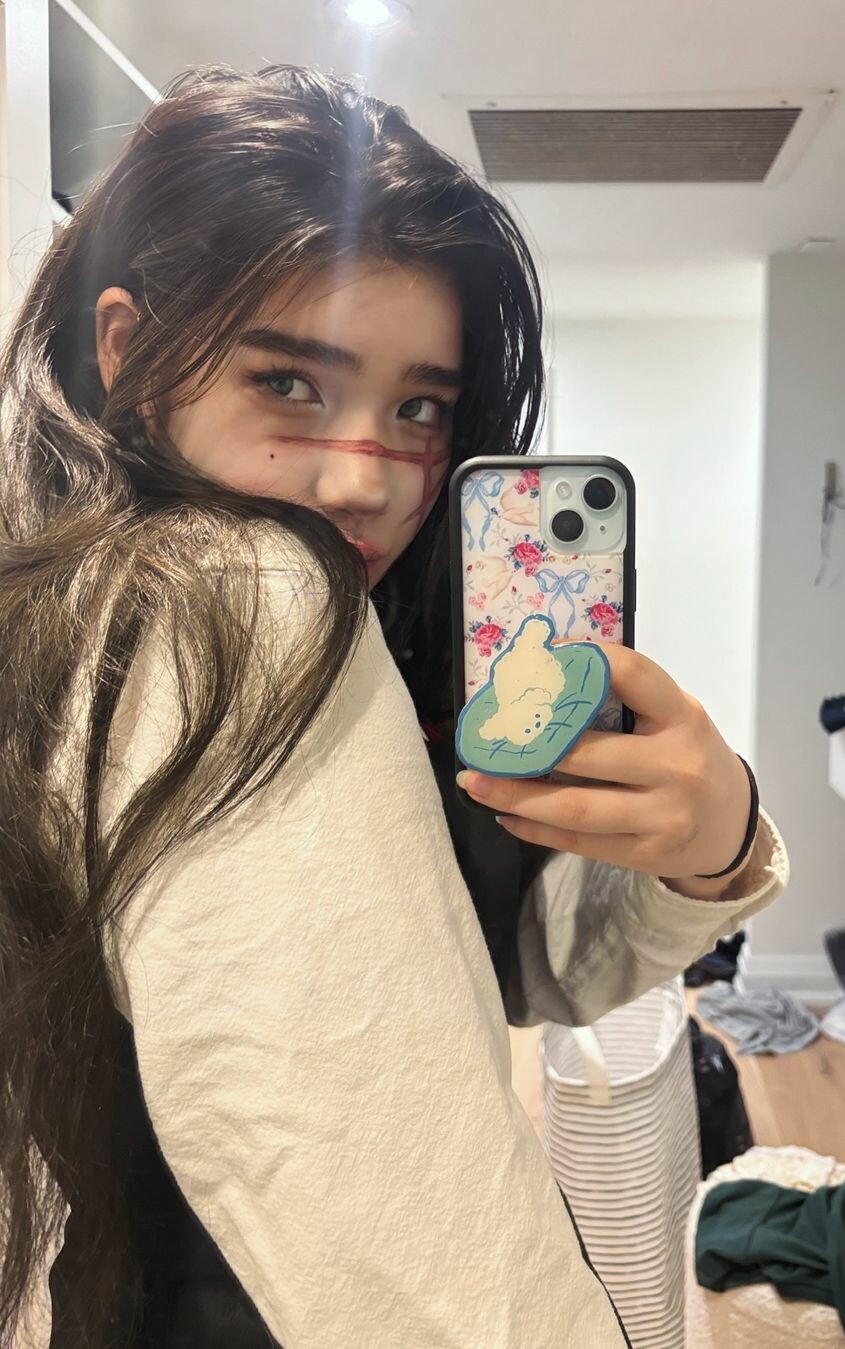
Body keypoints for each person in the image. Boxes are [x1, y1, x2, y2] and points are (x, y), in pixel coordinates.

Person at [0, 64, 789, 1348]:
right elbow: (414, 1245)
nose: (366, 479)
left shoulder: (322, 626)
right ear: (129, 352)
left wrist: (715, 844)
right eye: (288, 383)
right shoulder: (248, 600)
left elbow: (506, 971)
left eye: (419, 407)